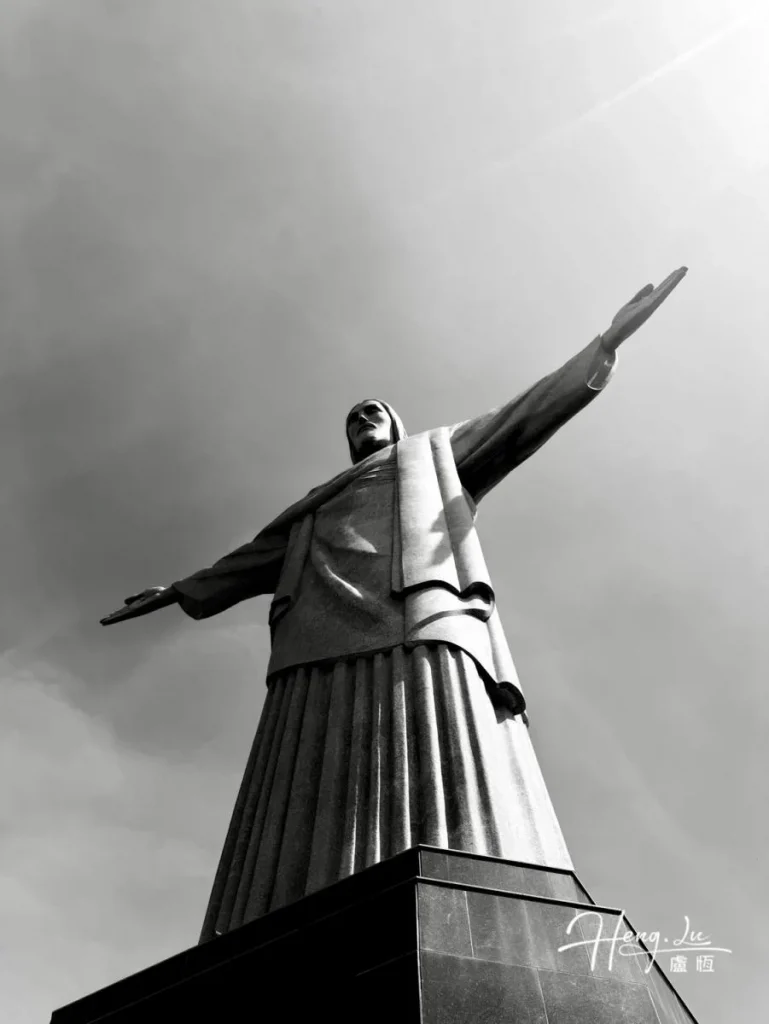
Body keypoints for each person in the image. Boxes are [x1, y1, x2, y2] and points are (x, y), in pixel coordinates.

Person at [102, 268, 687, 940]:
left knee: (438, 728)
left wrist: (603, 344)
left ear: (395, 423)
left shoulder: (434, 454)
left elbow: (520, 416)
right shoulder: (310, 509)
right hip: (315, 640)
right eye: (352, 418)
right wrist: (177, 589)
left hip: (419, 606)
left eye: (372, 411)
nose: (361, 421)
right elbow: (248, 558)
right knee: (306, 757)